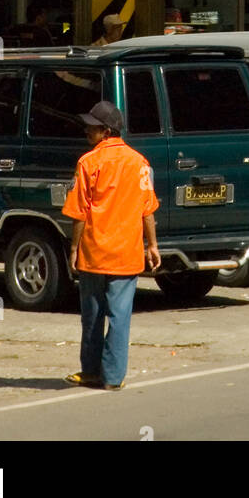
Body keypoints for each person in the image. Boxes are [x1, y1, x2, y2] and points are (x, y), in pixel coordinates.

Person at [62, 101, 161, 390]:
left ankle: (91, 371)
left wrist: (73, 248)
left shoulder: (88, 163)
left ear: (106, 131)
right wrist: (152, 245)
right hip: (126, 253)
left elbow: (79, 212)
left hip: (94, 252)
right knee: (120, 317)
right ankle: (113, 377)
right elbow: (147, 210)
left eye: (91, 127)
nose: (86, 131)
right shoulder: (139, 163)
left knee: (92, 315)